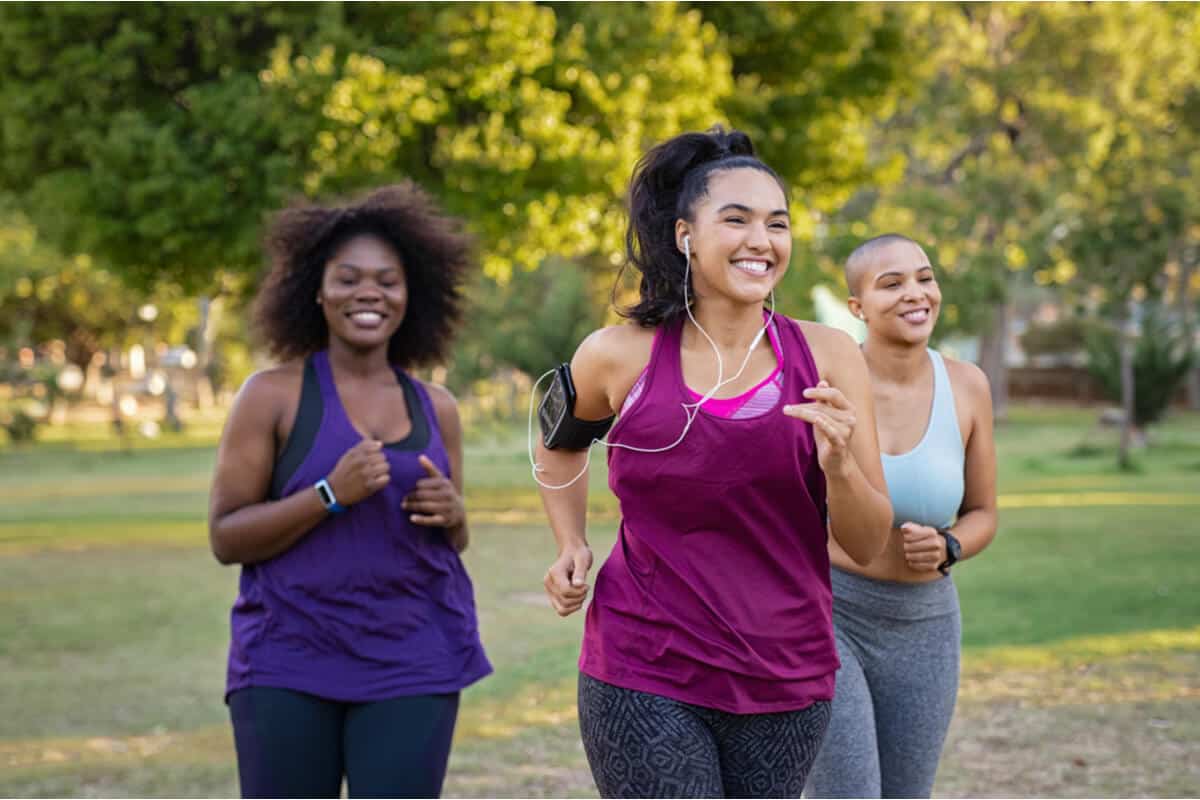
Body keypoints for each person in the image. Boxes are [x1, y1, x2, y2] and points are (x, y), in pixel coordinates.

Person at [533, 127, 894, 798]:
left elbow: (868, 544)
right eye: (737, 219)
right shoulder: (618, 355)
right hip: (643, 666)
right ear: (684, 236)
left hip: (786, 672)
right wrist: (569, 542)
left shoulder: (831, 360)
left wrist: (840, 466)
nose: (762, 240)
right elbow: (558, 443)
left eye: (777, 224)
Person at [207, 184, 491, 798]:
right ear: (316, 289)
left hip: (414, 657)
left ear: (410, 295)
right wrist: (329, 494)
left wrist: (456, 514)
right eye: (348, 278)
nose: (369, 293)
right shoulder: (272, 395)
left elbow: (454, 540)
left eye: (388, 281)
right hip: (288, 657)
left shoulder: (436, 407)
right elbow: (226, 538)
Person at [804, 233, 999, 799]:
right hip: (831, 616)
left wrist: (950, 547)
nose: (916, 294)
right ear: (857, 308)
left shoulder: (968, 387)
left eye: (924, 277)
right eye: (891, 284)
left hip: (926, 626)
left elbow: (984, 512)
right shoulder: (824, 387)